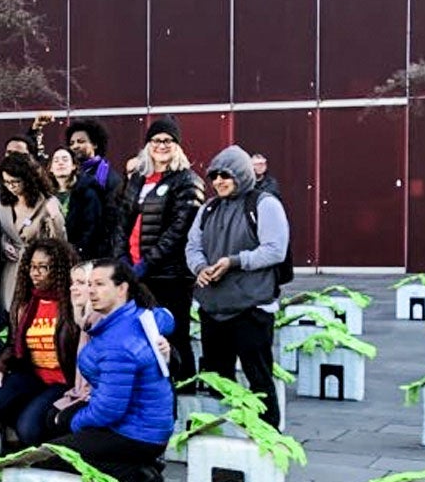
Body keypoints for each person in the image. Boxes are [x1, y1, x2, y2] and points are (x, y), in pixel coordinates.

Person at [47, 261, 177, 482]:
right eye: (89, 284)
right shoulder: (135, 316)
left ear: (121, 289)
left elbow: (108, 410)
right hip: (141, 423)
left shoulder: (118, 342)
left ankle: (135, 476)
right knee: (58, 422)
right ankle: (135, 466)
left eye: (99, 284)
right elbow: (165, 317)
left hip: (138, 433)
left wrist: (73, 422)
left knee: (52, 455)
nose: (91, 291)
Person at [187, 146, 290, 428]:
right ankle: (226, 437)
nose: (218, 181)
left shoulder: (264, 204)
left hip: (251, 308)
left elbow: (275, 250)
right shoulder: (208, 208)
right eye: (214, 176)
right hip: (213, 309)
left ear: (242, 175)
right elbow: (192, 246)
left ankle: (267, 439)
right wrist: (199, 268)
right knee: (218, 379)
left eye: (226, 175)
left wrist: (234, 262)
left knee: (258, 377)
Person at [116, 117, 203, 386]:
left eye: (168, 140)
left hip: (170, 276)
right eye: (155, 140)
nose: (161, 145)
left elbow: (178, 232)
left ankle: (183, 390)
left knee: (173, 335)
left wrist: (146, 264)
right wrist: (122, 259)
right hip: (135, 273)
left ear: (177, 146)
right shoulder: (137, 180)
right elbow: (120, 221)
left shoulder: (187, 180)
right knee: (142, 334)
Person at [0, 239, 80, 447]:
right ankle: (31, 417)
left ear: (59, 269)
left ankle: (45, 430)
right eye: (32, 267)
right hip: (35, 377)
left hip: (64, 381)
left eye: (43, 267)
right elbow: (11, 343)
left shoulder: (73, 304)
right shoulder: (25, 302)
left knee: (29, 431)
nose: (35, 273)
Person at [0, 152, 66, 313]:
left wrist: (55, 216)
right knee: (11, 314)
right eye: (6, 182)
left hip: (39, 269)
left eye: (15, 182)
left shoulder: (47, 203)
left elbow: (60, 242)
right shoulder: (3, 206)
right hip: (12, 270)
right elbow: (4, 233)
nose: (11, 186)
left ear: (28, 179)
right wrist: (4, 244)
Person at [66, 118, 124, 262]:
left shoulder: (109, 177)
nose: (75, 146)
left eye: (81, 141)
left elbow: (113, 218)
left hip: (99, 252)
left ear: (95, 144)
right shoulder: (67, 176)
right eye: (72, 143)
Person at [47, 147, 76, 218]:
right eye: (56, 161)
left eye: (65, 160)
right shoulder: (46, 195)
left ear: (73, 166)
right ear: (51, 168)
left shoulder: (84, 191)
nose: (60, 163)